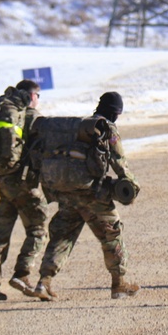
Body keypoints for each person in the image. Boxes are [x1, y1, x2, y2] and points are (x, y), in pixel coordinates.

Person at [33, 92, 141, 300]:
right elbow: (119, 162)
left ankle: (44, 281)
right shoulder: (106, 129)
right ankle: (119, 284)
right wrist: (130, 185)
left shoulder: (82, 128)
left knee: (62, 236)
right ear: (117, 112)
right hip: (93, 196)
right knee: (112, 235)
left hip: (67, 194)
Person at [0, 79, 49, 301]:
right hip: (22, 184)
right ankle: (23, 273)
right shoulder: (30, 116)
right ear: (32, 96)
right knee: (37, 228)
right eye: (38, 96)